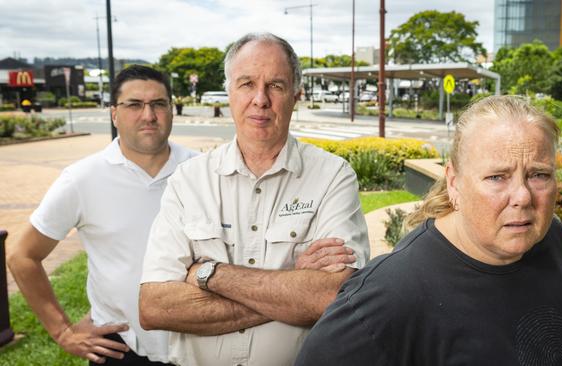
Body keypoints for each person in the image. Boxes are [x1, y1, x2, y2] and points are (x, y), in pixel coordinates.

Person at [295, 95, 562, 365]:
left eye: (539, 174)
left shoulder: (552, 239)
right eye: (497, 177)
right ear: (454, 183)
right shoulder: (387, 298)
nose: (523, 196)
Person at [138, 33, 370, 366]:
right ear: (229, 92)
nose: (260, 99)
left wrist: (208, 274)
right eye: (247, 83)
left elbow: (331, 296)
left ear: (295, 95)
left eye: (275, 85)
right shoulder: (189, 179)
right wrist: (291, 287)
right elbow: (156, 307)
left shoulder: (333, 176)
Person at [8, 65, 196, 365]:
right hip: (122, 349)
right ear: (114, 114)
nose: (148, 115)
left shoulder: (201, 170)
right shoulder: (82, 179)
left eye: (159, 104)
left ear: (171, 110)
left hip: (202, 344)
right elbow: (22, 256)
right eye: (134, 104)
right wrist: (63, 331)